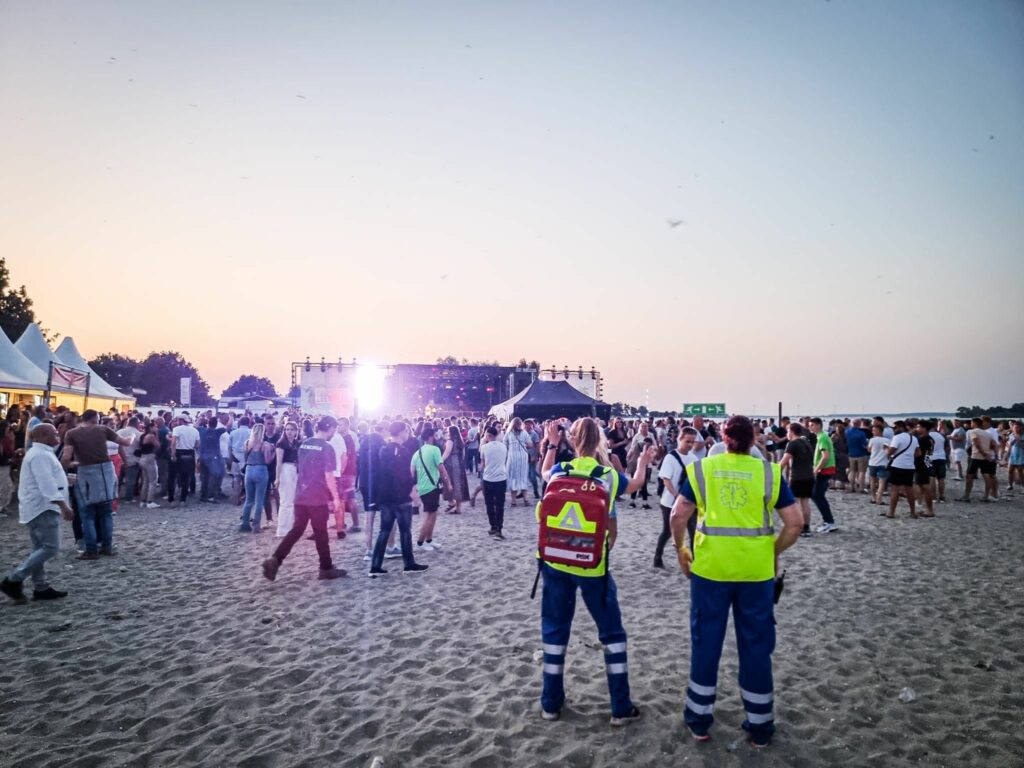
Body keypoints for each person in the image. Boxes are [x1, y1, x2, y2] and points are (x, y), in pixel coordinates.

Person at [669, 416, 802, 748]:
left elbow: (677, 515)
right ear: (752, 439)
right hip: (755, 574)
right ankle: (760, 727)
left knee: (706, 644)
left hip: (710, 571)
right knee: (756, 647)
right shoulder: (768, 473)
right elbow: (794, 523)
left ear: (723, 438)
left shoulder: (703, 469)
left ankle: (699, 721)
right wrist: (771, 549)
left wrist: (681, 549)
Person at [536, 417, 656, 726]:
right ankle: (620, 707)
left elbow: (543, 473)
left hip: (555, 560)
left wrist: (551, 443)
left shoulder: (561, 470)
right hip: (592, 564)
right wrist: (643, 461)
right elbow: (637, 484)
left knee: (555, 630)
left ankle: (550, 703)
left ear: (573, 440)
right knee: (612, 633)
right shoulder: (608, 476)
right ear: (600, 440)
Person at [262, 416, 346, 581]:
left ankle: (275, 560)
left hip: (301, 494)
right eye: (334, 430)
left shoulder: (304, 444)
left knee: (296, 530)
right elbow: (329, 475)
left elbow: (300, 467)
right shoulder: (327, 447)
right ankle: (325, 568)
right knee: (321, 533)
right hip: (317, 495)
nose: (334, 433)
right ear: (329, 428)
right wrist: (335, 497)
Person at [1, 424, 74, 603]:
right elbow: (46, 483)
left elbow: (48, 479)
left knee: (39, 548)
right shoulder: (40, 455)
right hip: (43, 507)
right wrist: (63, 505)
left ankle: (40, 587)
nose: (58, 435)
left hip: (39, 507)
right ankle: (14, 579)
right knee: (50, 547)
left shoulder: (41, 453)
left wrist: (65, 481)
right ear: (42, 435)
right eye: (54, 433)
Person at [61, 409, 132, 559]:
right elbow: (125, 443)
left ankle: (91, 550)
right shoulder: (103, 429)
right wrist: (131, 436)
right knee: (106, 513)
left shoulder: (71, 434)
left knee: (87, 514)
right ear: (95, 418)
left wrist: (74, 463)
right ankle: (107, 546)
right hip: (104, 471)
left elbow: (66, 457)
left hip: (85, 472)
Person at [368, 421, 429, 576]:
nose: (408, 433)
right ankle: (409, 564)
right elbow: (405, 475)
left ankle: (375, 566)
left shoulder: (384, 449)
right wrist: (413, 493)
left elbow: (378, 473)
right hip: (400, 497)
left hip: (386, 496)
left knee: (384, 531)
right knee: (405, 531)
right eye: (406, 430)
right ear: (401, 432)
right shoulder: (404, 451)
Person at [655, 427, 697, 567]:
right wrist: (676, 496)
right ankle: (658, 557)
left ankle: (696, 560)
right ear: (680, 439)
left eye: (692, 442)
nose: (690, 445)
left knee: (693, 531)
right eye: (687, 442)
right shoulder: (670, 457)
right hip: (669, 502)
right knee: (667, 531)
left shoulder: (693, 458)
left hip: (689, 502)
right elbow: (666, 479)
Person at [412, 426, 452, 552]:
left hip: (423, 487)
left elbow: (411, 472)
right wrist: (449, 483)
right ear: (430, 437)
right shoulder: (434, 450)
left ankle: (429, 539)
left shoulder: (417, 453)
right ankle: (420, 542)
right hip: (431, 486)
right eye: (434, 436)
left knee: (433, 513)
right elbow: (441, 468)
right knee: (429, 515)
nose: (436, 438)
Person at [778, 423, 815, 537]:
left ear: (792, 432)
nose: (787, 434)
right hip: (809, 476)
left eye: (788, 431)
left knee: (794, 502)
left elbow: (784, 461)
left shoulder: (792, 444)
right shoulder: (806, 442)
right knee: (805, 502)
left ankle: (796, 525)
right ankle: (806, 528)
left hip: (798, 477)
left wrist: (774, 473)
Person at [239, 423, 272, 533]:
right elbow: (267, 461)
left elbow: (245, 458)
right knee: (259, 500)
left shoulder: (247, 443)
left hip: (249, 470)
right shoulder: (265, 445)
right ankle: (256, 526)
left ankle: (244, 524)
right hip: (261, 470)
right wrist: (274, 454)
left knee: (248, 500)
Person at [807, 418, 838, 533]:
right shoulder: (821, 436)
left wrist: (816, 470)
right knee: (817, 496)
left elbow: (825, 456)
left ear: (819, 425)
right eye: (809, 425)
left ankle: (829, 522)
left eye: (812, 425)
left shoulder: (823, 437)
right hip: (825, 470)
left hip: (824, 470)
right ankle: (828, 521)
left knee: (817, 496)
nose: (810, 427)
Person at [479, 425, 509, 539]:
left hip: (488, 478)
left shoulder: (484, 448)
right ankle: (499, 529)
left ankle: (492, 526)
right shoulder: (504, 446)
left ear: (489, 435)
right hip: (501, 478)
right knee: (500, 505)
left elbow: (483, 464)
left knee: (490, 504)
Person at [885, 421, 919, 518]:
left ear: (901, 427)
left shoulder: (897, 437)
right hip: (909, 466)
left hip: (897, 465)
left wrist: (886, 450)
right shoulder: (914, 438)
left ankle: (891, 512)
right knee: (909, 490)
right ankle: (912, 512)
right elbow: (918, 453)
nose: (894, 430)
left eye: (895, 428)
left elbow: (891, 452)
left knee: (895, 489)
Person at [274, 422, 301, 537]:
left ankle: (290, 526)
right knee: (286, 501)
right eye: (287, 429)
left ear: (296, 431)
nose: (289, 432)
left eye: (291, 430)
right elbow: (278, 462)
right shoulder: (281, 443)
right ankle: (283, 529)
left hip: (294, 471)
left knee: (291, 501)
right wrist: (277, 478)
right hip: (285, 470)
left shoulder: (295, 443)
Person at [962, 417, 997, 503]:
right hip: (986, 457)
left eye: (971, 422)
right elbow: (994, 444)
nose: (971, 424)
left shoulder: (973, 432)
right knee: (986, 476)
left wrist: (983, 453)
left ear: (974, 423)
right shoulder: (987, 433)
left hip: (976, 456)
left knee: (969, 476)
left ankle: (966, 496)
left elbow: (976, 442)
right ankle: (986, 496)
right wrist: (990, 454)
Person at [168, 416, 200, 506]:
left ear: (180, 421)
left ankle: (171, 500)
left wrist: (173, 455)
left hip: (179, 452)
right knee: (186, 478)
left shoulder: (177, 429)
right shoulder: (195, 430)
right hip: (189, 453)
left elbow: (173, 443)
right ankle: (183, 500)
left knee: (172, 477)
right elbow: (197, 445)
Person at [442, 424, 470, 514]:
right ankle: (458, 508)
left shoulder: (450, 441)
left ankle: (451, 502)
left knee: (450, 482)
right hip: (459, 463)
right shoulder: (460, 441)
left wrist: (439, 461)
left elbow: (447, 453)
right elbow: (463, 454)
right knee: (459, 484)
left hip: (452, 464)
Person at [504, 417, 532, 506]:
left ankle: (513, 501)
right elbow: (530, 444)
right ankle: (526, 499)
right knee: (523, 476)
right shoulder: (524, 433)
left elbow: (505, 445)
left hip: (512, 457)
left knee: (513, 477)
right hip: (523, 457)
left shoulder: (508, 434)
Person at [866, 424, 891, 505]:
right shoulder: (887, 440)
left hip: (873, 462)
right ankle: (879, 499)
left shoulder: (872, 440)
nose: (872, 432)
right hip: (883, 462)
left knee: (873, 481)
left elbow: (869, 450)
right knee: (881, 482)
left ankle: (873, 497)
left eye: (874, 430)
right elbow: (889, 452)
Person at [137, 421, 161, 508]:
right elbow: (158, 445)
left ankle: (143, 501)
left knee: (145, 480)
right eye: (155, 427)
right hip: (149, 458)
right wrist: (157, 434)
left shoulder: (143, 435)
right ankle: (150, 501)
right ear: (151, 427)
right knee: (153, 480)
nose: (156, 428)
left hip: (142, 458)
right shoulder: (151, 436)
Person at [846, 419, 869, 494]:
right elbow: (864, 445)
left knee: (852, 471)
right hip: (861, 454)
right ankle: (861, 488)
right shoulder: (861, 433)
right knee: (862, 472)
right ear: (859, 424)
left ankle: (852, 487)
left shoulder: (847, 432)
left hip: (851, 454)